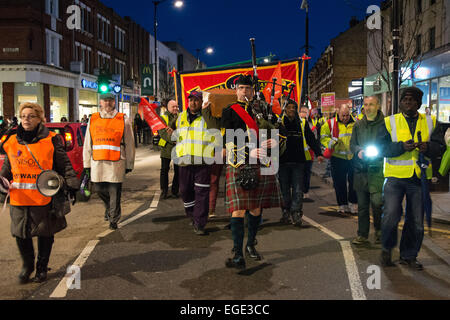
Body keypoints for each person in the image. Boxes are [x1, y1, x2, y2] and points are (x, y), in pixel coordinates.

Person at [0, 103, 79, 284]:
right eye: (23, 116)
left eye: (31, 116)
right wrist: (2, 183)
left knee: (45, 233)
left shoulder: (51, 139)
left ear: (40, 119)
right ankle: (28, 267)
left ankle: (42, 268)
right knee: (21, 234)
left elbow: (64, 164)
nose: (26, 119)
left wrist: (72, 185)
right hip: (19, 199)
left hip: (44, 198)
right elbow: (7, 168)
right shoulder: (12, 140)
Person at [377, 86, 445, 269]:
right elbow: (379, 148)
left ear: (419, 103)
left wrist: (428, 148)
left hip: (419, 178)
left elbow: (440, 147)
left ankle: (409, 255)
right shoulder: (389, 121)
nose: (408, 102)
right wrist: (400, 147)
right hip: (394, 177)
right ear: (400, 103)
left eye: (412, 100)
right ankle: (387, 249)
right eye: (405, 100)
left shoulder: (431, 121)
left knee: (416, 220)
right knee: (391, 215)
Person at [221, 75, 283, 269]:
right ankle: (238, 253)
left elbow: (278, 130)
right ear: (236, 90)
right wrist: (248, 150)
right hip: (239, 162)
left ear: (252, 90)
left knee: (256, 208)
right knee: (238, 209)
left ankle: (250, 244)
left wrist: (275, 139)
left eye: (248, 88)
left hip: (261, 161)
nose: (244, 91)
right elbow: (227, 142)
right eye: (241, 88)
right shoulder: (229, 111)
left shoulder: (263, 109)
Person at [168, 91, 220, 235]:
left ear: (200, 102)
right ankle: (192, 215)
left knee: (202, 192)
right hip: (184, 161)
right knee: (185, 191)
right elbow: (170, 133)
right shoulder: (180, 117)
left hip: (203, 161)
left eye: (196, 100)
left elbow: (216, 134)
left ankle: (200, 223)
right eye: (191, 100)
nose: (193, 103)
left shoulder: (207, 117)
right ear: (188, 102)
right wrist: (169, 134)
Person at [83, 92, 135, 230]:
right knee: (99, 190)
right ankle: (109, 208)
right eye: (105, 101)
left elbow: (129, 142)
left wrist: (130, 163)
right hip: (98, 162)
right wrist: (86, 163)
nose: (107, 103)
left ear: (114, 102)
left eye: (110, 101)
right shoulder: (93, 118)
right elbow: (88, 142)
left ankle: (114, 219)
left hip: (116, 162)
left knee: (115, 192)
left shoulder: (122, 119)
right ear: (100, 102)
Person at [279, 101, 324, 225]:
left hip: (298, 162)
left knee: (298, 190)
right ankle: (285, 212)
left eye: (294, 108)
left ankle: (296, 213)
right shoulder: (279, 122)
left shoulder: (302, 123)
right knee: (284, 190)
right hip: (283, 162)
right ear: (285, 109)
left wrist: (319, 153)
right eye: (289, 108)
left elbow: (311, 139)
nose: (292, 110)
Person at [350, 96, 384, 246]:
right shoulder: (358, 125)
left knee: (377, 203)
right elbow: (353, 144)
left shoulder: (385, 124)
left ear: (378, 106)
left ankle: (380, 232)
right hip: (361, 170)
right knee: (362, 207)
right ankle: (362, 235)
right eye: (366, 104)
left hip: (378, 170)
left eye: (371, 104)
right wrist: (358, 151)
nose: (368, 107)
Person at [320, 104, 357, 213]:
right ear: (338, 113)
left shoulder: (357, 123)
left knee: (354, 182)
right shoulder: (330, 123)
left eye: (347, 115)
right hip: (337, 157)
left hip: (353, 157)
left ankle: (353, 203)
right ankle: (342, 204)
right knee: (339, 183)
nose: (345, 118)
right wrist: (331, 143)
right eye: (342, 115)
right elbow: (323, 137)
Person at [158, 99, 179, 199]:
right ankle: (164, 191)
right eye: (173, 107)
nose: (175, 108)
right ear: (168, 107)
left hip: (178, 148)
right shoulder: (163, 118)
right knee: (164, 170)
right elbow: (162, 133)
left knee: (178, 170)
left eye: (176, 106)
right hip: (166, 147)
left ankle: (175, 191)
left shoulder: (181, 117)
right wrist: (174, 140)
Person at [299, 106, 320, 200]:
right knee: (298, 174)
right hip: (298, 154)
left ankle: (305, 191)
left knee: (307, 173)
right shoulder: (296, 123)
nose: (304, 114)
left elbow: (313, 140)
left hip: (309, 153)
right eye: (302, 111)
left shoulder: (312, 125)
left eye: (305, 112)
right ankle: (299, 190)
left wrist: (318, 153)